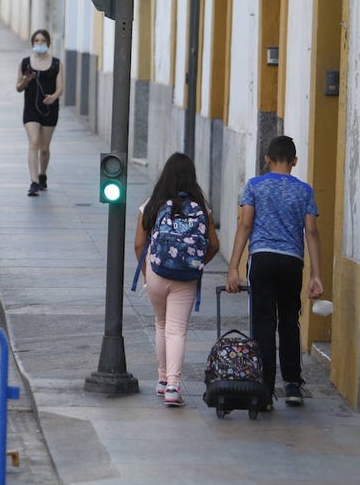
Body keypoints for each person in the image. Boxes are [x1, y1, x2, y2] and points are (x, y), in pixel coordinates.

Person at [225, 135, 323, 408]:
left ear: (267, 159)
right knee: (290, 321)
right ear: (294, 161)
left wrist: (233, 267)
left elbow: (245, 225)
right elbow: (312, 231)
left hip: (262, 259)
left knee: (263, 323)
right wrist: (316, 274)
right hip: (292, 262)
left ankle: (265, 390)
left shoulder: (255, 186)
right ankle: (292, 385)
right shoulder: (304, 190)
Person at [134, 153, 220, 406]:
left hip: (156, 272)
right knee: (177, 329)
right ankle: (173, 386)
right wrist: (196, 263)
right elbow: (214, 245)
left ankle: (162, 379)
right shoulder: (201, 208)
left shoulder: (152, 204)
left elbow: (139, 244)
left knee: (161, 325)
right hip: (186, 277)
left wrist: (148, 273)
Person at [15, 30, 63, 196]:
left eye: (43, 41)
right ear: (32, 43)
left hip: (50, 109)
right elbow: (18, 88)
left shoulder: (56, 63)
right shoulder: (25, 63)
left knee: (44, 148)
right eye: (36, 40)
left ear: (48, 43)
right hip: (31, 109)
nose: (40, 43)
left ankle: (42, 174)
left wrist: (53, 97)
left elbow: (60, 88)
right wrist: (26, 79)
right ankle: (34, 182)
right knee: (33, 142)